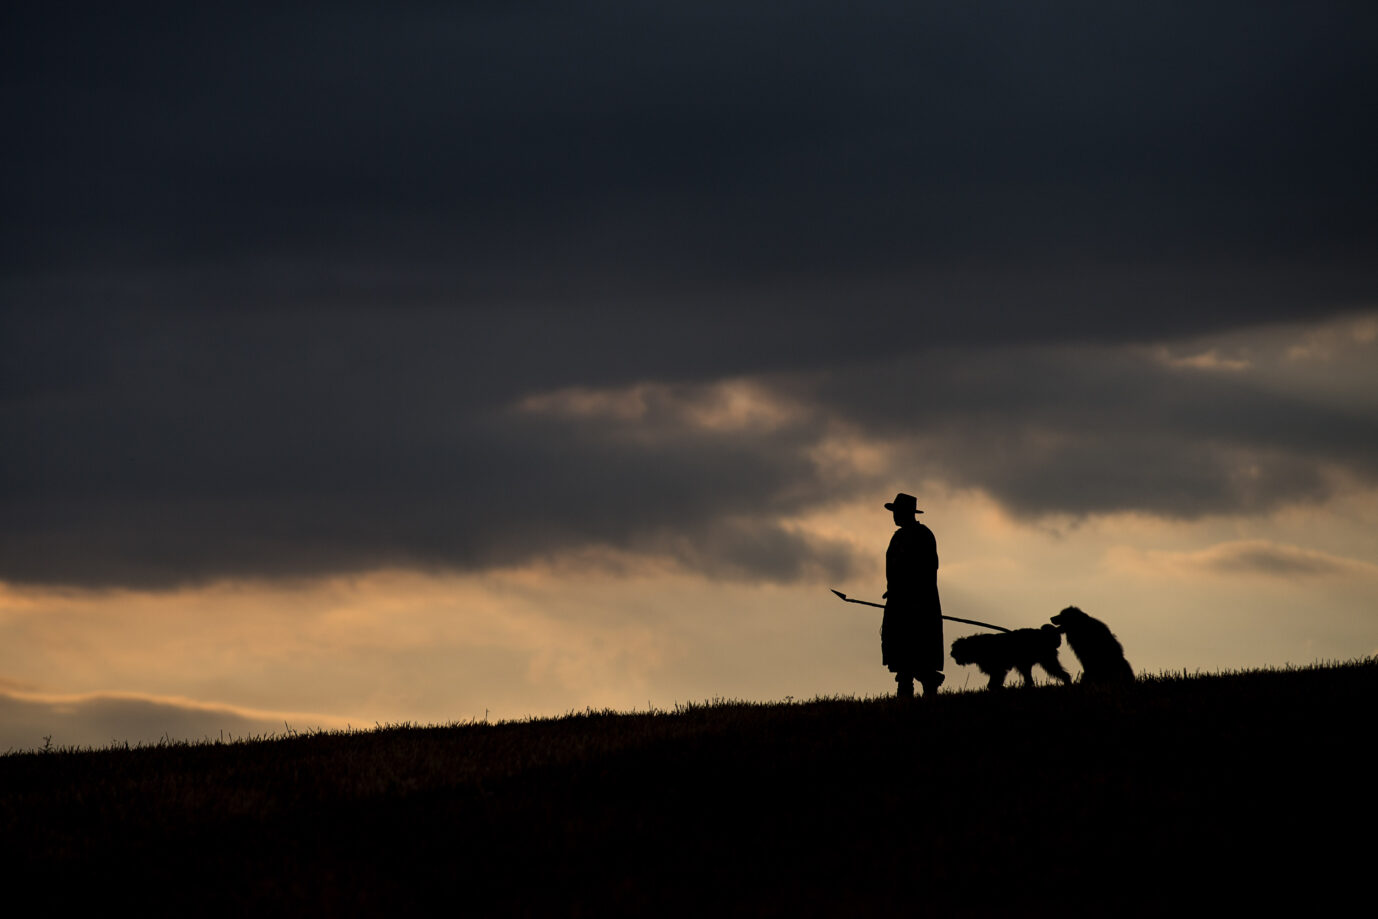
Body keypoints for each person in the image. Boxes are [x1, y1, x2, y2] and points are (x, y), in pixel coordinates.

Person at [881, 492, 944, 699]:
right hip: (899, 603)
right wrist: (893, 589)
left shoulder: (923, 535)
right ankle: (906, 695)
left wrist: (911, 593)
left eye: (897, 512)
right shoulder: (898, 537)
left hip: (918, 604)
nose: (894, 516)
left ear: (907, 513)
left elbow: (927, 570)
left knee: (917, 652)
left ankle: (928, 688)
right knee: (903, 658)